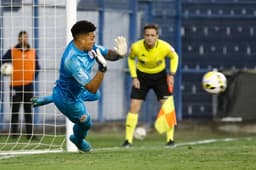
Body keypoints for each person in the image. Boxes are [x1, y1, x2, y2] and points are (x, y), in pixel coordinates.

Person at [31, 20, 127, 152]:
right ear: (79, 38)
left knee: (97, 95)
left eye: (94, 37)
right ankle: (78, 140)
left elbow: (108, 54)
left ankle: (51, 98)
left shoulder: (90, 47)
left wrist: (119, 55)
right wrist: (102, 68)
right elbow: (91, 87)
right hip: (68, 101)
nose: (94, 40)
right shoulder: (72, 60)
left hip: (74, 91)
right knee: (86, 122)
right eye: (91, 37)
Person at [122, 24, 179, 147]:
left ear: (157, 36)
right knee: (134, 106)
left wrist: (171, 74)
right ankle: (128, 140)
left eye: (152, 35)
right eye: (147, 35)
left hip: (160, 77)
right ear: (144, 36)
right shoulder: (136, 47)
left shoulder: (165, 47)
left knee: (167, 106)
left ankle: (170, 140)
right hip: (142, 77)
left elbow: (174, 57)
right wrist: (134, 77)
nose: (150, 38)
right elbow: (131, 59)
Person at [1, 31, 40, 139]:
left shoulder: (32, 51)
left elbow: (37, 67)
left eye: (26, 37)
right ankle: (14, 134)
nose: (24, 39)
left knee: (28, 110)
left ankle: (30, 134)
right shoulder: (12, 51)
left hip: (28, 86)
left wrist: (32, 77)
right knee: (15, 110)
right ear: (18, 39)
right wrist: (5, 70)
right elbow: (3, 63)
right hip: (15, 85)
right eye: (22, 37)